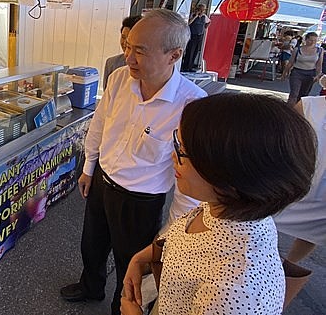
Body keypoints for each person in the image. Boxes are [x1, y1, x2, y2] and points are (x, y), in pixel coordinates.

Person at [60, 9, 206, 314]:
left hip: (141, 198)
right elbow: (99, 124)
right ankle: (91, 286)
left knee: (132, 262)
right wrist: (89, 168)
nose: (128, 58)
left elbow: (190, 178)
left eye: (139, 51)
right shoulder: (119, 78)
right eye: (127, 47)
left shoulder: (192, 104)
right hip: (103, 179)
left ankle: (122, 308)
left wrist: (174, 232)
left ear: (174, 55)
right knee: (92, 244)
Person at [121, 93, 316, 315]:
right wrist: (141, 258)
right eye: (178, 141)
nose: (173, 157)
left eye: (183, 151)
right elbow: (183, 238)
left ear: (229, 178)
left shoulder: (233, 292)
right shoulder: (224, 208)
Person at [274, 89, 326, 264]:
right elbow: (282, 143)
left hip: (322, 197)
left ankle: (289, 265)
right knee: (262, 217)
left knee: (316, 231)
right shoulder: (309, 106)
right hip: (293, 182)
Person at [282, 32, 323, 105]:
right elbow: (291, 62)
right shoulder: (297, 49)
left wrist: (318, 75)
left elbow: (319, 64)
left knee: (304, 95)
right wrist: (284, 73)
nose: (312, 42)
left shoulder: (319, 50)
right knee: (294, 94)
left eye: (315, 41)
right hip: (297, 73)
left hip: (310, 74)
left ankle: (298, 111)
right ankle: (288, 111)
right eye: (311, 40)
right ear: (306, 40)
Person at [102, 15, 142, 90]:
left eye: (129, 38)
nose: (125, 43)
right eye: (123, 37)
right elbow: (106, 94)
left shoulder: (145, 65)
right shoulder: (111, 63)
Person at [181, 4, 210, 72]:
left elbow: (209, 22)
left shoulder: (204, 16)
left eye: (203, 10)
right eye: (201, 9)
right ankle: (186, 66)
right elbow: (188, 23)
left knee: (196, 51)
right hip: (192, 35)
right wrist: (196, 16)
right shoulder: (193, 15)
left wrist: (205, 28)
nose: (202, 11)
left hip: (199, 35)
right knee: (190, 50)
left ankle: (191, 66)